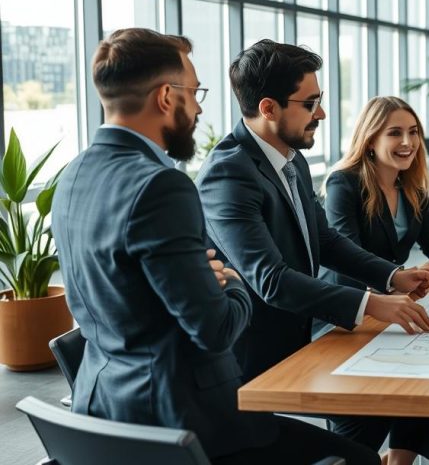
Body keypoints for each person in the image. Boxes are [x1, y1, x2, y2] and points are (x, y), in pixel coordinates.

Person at [51, 28, 379, 465]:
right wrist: (231, 279)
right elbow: (215, 328)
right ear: (166, 97)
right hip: (184, 425)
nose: (201, 105)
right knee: (359, 459)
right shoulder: (162, 186)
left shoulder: (73, 175)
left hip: (101, 414)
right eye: (194, 91)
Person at [196, 40, 429, 388]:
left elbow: (323, 239)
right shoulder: (228, 174)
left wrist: (392, 276)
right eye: (311, 104)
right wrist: (372, 302)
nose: (322, 114)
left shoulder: (292, 157)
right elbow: (271, 280)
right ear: (268, 108)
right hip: (246, 367)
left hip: (298, 342)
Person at [320, 96, 429, 465]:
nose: (408, 142)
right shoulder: (344, 183)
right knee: (358, 438)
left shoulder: (411, 185)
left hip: (391, 302)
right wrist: (394, 280)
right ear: (371, 139)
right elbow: (345, 253)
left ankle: (400, 460)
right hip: (346, 309)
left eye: (414, 132)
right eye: (395, 133)